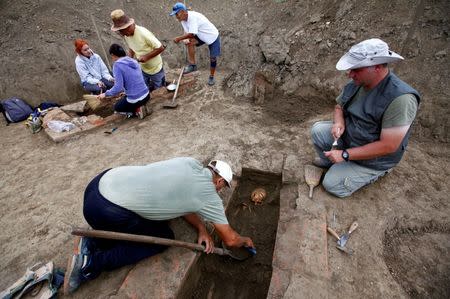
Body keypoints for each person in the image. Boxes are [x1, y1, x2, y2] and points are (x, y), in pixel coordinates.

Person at [63, 157, 255, 294]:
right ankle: (90, 264)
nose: (220, 191)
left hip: (99, 184)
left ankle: (92, 241)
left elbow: (185, 201)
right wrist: (244, 240)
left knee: (153, 218)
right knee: (161, 239)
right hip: (105, 210)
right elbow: (230, 240)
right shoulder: (208, 194)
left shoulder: (189, 162)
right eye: (222, 187)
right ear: (219, 181)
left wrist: (202, 228)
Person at [310, 38, 420, 198]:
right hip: (353, 139)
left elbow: (388, 146)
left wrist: (345, 155)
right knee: (318, 130)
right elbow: (339, 106)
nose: (350, 74)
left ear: (376, 67)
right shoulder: (359, 82)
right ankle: (332, 163)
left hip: (375, 159)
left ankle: (375, 172)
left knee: (331, 184)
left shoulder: (401, 98)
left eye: (357, 69)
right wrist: (339, 122)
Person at [110, 9, 166, 92]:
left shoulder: (143, 33)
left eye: (122, 31)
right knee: (144, 88)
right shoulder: (127, 35)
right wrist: (129, 60)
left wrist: (146, 57)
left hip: (155, 69)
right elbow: (132, 47)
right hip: (143, 69)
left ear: (128, 26)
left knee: (159, 90)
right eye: (119, 31)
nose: (121, 34)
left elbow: (161, 48)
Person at [170, 2, 221, 86]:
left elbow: (191, 34)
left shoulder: (192, 17)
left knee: (213, 58)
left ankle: (211, 76)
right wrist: (185, 38)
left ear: (183, 12)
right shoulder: (183, 19)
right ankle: (193, 65)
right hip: (201, 35)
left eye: (177, 14)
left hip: (212, 36)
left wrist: (179, 38)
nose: (176, 17)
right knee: (189, 43)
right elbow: (187, 31)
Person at [98, 44, 149, 119]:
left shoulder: (117, 65)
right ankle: (141, 106)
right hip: (146, 95)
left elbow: (119, 88)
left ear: (112, 54)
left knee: (117, 107)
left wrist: (105, 94)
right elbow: (133, 79)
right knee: (125, 97)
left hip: (136, 99)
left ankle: (137, 111)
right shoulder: (133, 60)